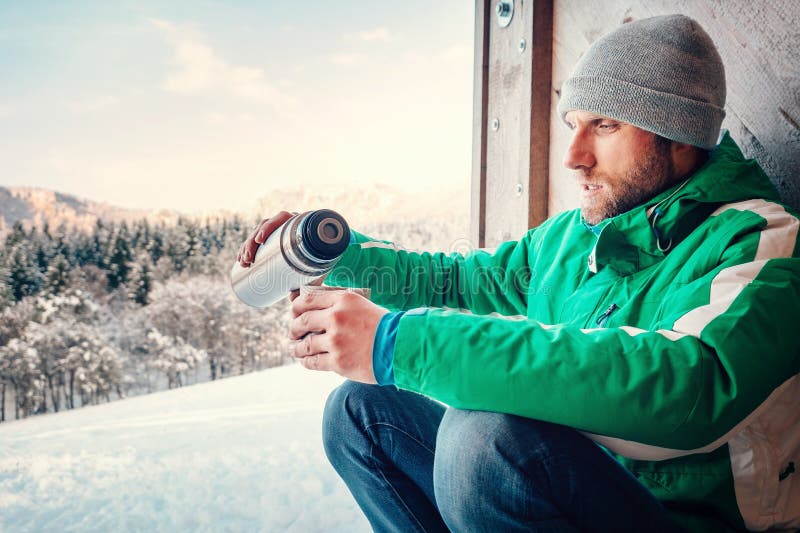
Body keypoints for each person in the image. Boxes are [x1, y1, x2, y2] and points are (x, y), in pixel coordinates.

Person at [237, 15, 800, 532]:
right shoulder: (569, 238)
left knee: (483, 442)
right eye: (573, 124)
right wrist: (336, 253)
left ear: (679, 132)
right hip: (569, 488)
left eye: (603, 125)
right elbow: (459, 281)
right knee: (360, 414)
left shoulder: (761, 243)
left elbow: (690, 386)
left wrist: (395, 342)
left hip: (680, 520)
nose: (573, 156)